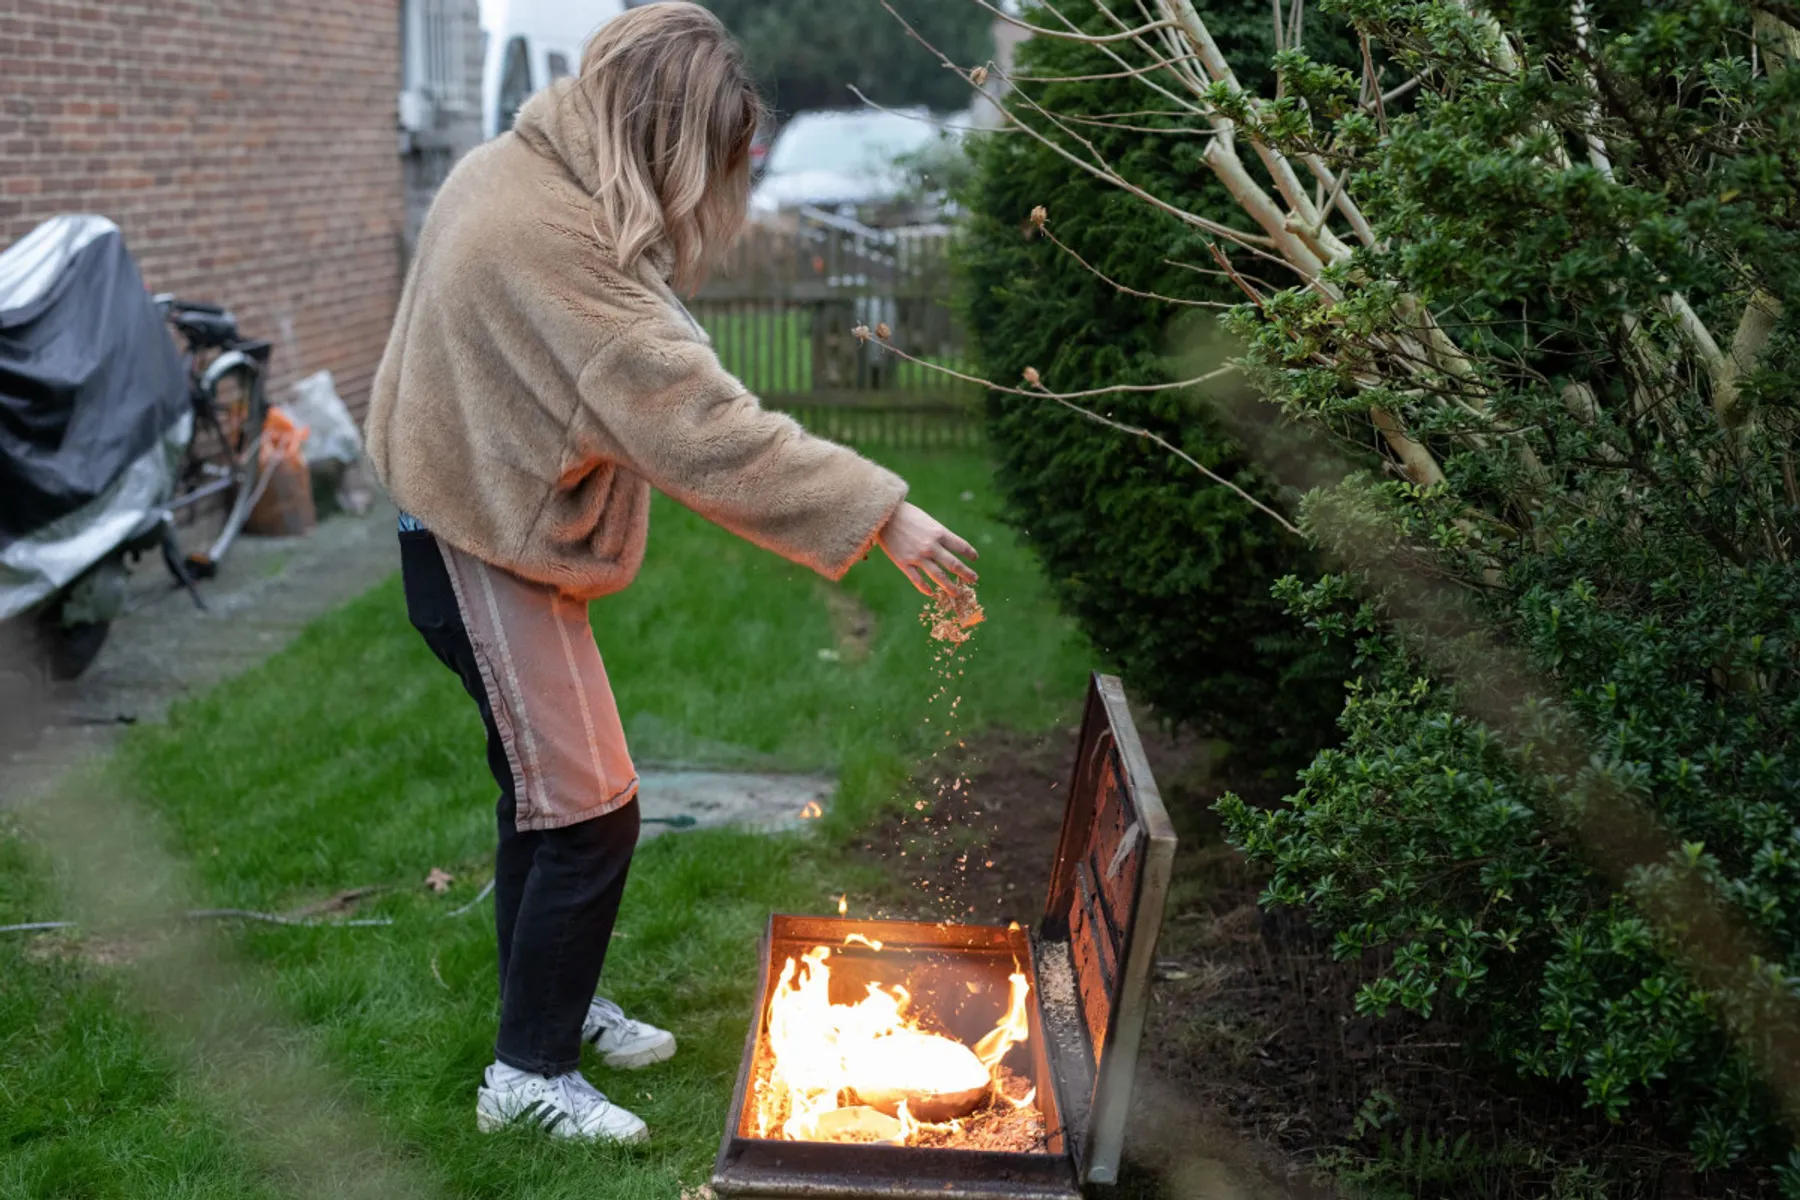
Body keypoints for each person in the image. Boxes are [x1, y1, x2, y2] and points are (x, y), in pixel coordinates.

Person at [365, 2, 978, 1144]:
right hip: (474, 544)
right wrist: (881, 513)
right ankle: (528, 1077)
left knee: (547, 798)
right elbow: (711, 435)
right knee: (589, 814)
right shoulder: (564, 251)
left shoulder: (516, 166)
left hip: (458, 520)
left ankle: (549, 1001)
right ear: (667, 137)